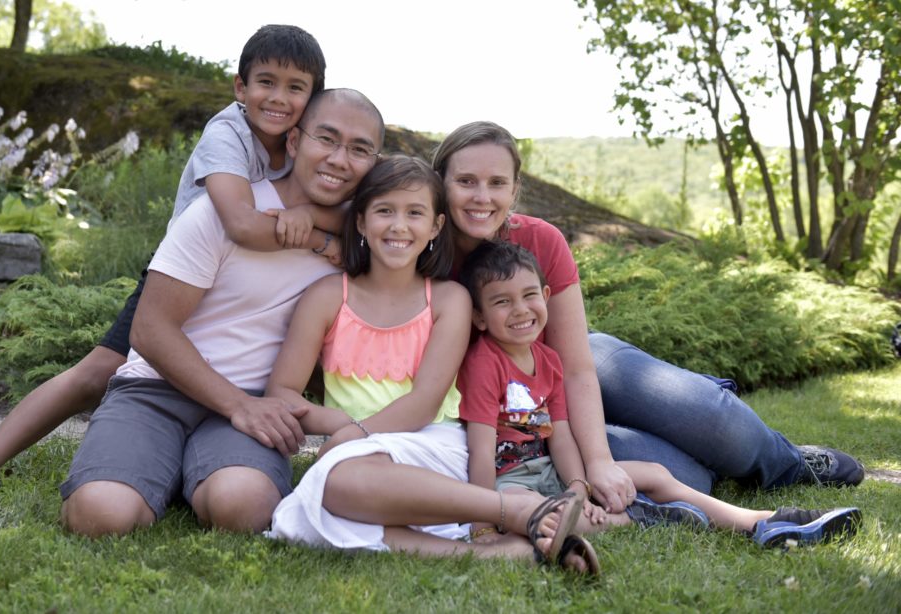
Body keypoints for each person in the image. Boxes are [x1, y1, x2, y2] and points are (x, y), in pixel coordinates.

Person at [0, 24, 338, 503]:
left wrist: (309, 215)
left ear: (314, 97)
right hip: (184, 273)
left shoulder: (310, 144)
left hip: (240, 287)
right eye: (266, 82)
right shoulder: (228, 132)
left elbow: (342, 203)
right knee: (98, 373)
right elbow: (239, 221)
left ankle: (211, 462)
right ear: (241, 87)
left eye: (295, 87)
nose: (278, 98)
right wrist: (322, 240)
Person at [430, 121, 865, 513]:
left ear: (515, 188)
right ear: (440, 185)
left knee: (711, 418)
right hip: (516, 402)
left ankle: (785, 460)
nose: (482, 197)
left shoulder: (541, 239)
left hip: (572, 355)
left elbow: (578, 368)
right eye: (466, 181)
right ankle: (708, 461)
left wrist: (598, 460)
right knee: (685, 475)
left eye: (496, 182)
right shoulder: (422, 253)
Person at [58, 88, 385, 537]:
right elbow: (150, 330)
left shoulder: (366, 241)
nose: (339, 159)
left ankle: (183, 472)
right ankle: (142, 468)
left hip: (256, 398)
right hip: (157, 391)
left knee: (244, 509)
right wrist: (239, 407)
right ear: (294, 142)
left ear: (374, 163)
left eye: (359, 150)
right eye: (325, 139)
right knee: (101, 516)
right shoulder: (227, 210)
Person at [266, 155, 598, 573]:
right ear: (361, 222)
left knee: (333, 486)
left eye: (415, 213)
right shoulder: (327, 296)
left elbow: (425, 403)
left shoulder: (447, 299)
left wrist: (356, 432)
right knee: (323, 499)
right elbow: (282, 393)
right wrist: (345, 429)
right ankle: (500, 552)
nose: (399, 226)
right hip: (360, 453)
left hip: (436, 441)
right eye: (385, 211)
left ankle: (511, 510)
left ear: (436, 226)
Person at [457, 240, 861, 548]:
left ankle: (758, 520)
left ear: (546, 297)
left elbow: (558, 434)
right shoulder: (485, 364)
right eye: (501, 302)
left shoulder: (548, 360)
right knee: (547, 514)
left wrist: (578, 485)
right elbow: (480, 448)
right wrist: (482, 519)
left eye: (529, 296)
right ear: (478, 316)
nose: (520, 310)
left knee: (653, 473)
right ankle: (644, 519)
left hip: (550, 469)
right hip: (509, 483)